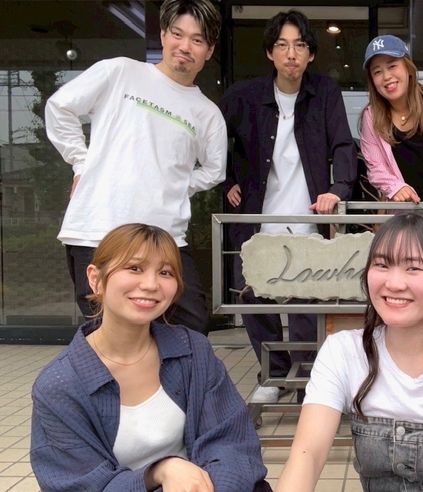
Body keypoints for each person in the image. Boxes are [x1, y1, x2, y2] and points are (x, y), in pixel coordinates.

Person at [276, 210, 423, 491]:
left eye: (414, 268)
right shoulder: (343, 351)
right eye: (382, 264)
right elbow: (307, 455)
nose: (394, 283)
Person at [30, 224, 272, 492]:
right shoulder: (60, 385)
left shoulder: (193, 351)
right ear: (95, 278)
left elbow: (233, 444)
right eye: (134, 268)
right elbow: (78, 484)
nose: (150, 285)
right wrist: (157, 472)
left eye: (165, 272)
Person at [45, 0, 225, 335]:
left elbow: (215, 170)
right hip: (97, 228)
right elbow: (60, 108)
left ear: (209, 50)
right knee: (106, 333)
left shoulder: (207, 113)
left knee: (191, 326)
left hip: (165, 237)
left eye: (197, 40)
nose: (185, 46)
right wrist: (81, 163)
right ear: (163, 35)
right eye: (178, 34)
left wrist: (174, 185)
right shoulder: (120, 72)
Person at [219, 9, 357, 404]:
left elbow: (343, 144)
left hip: (307, 216)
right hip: (257, 218)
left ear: (311, 54)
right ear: (270, 53)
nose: (291, 54)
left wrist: (338, 189)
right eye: (282, 45)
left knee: (305, 302)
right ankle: (273, 375)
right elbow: (211, 137)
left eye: (299, 45)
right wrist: (227, 181)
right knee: (254, 297)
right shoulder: (245, 96)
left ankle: (308, 381)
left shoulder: (324, 93)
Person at [360, 35, 423, 235]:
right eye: (377, 71)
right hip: (400, 225)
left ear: (408, 68)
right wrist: (394, 186)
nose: (386, 76)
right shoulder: (371, 116)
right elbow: (375, 168)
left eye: (392, 66)